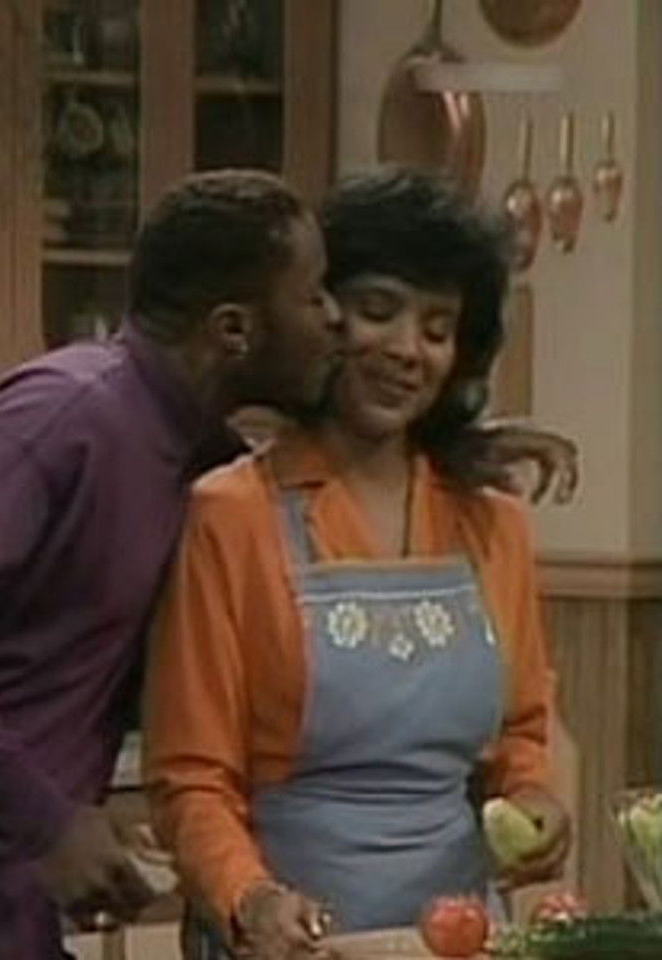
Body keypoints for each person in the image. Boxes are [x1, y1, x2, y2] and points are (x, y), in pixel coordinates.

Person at [0, 168, 576, 960]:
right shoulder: (78, 416)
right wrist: (54, 823)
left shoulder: (196, 452)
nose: (339, 326)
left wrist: (455, 444)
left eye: (437, 329)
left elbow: (517, 725)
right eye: (328, 301)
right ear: (235, 329)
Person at [144, 168, 572, 960]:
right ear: (320, 316)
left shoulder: (493, 523)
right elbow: (191, 775)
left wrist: (536, 801)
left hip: (459, 939)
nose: (408, 350)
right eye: (379, 311)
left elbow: (523, 733)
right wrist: (251, 900)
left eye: (438, 329)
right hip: (285, 941)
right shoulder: (231, 514)